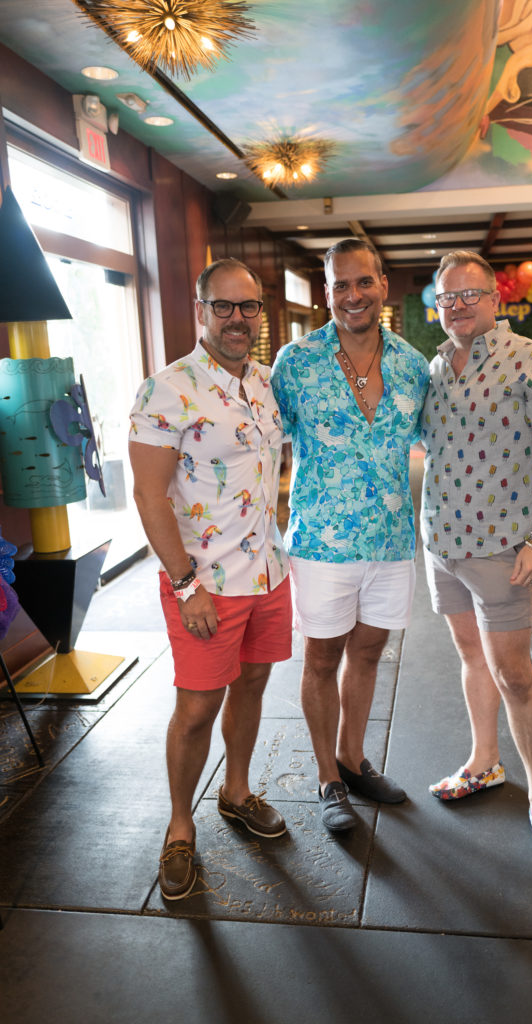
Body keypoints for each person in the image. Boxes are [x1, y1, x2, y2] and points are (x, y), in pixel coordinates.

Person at [129, 257, 292, 900]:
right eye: (223, 306)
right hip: (205, 583)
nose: (237, 318)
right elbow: (149, 496)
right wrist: (183, 584)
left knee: (252, 685)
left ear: (260, 311)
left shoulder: (264, 382)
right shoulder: (166, 389)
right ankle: (178, 827)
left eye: (248, 306)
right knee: (197, 706)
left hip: (267, 573)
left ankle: (237, 790)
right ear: (201, 311)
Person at [421, 250, 532, 866]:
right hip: (442, 543)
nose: (457, 305)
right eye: (446, 297)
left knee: (516, 675)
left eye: (469, 294)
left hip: (504, 548)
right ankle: (484, 763)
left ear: (495, 297)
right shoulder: (434, 369)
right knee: (469, 656)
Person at [271, 239, 430, 833]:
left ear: (383, 284)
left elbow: (437, 442)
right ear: (327, 290)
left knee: (368, 653)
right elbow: (263, 445)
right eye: (341, 285)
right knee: (321, 659)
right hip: (321, 542)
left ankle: (352, 757)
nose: (353, 295)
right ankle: (327, 779)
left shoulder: (415, 366)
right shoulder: (296, 363)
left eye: (363, 282)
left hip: (391, 541)